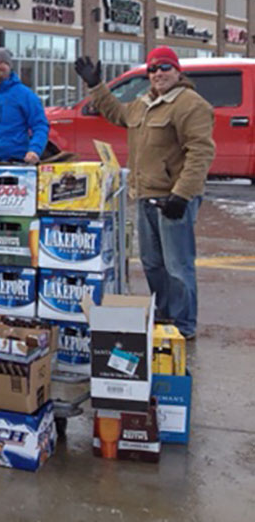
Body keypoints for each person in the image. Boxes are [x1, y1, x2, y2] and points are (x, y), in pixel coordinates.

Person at [75, 47, 214, 340]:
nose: (158, 74)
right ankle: (164, 314)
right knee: (152, 264)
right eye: (152, 69)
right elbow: (116, 113)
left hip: (173, 199)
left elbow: (201, 152)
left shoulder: (190, 104)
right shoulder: (143, 104)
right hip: (145, 196)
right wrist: (96, 85)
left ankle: (184, 325)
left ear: (177, 71)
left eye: (164, 67)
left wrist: (182, 195)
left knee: (178, 266)